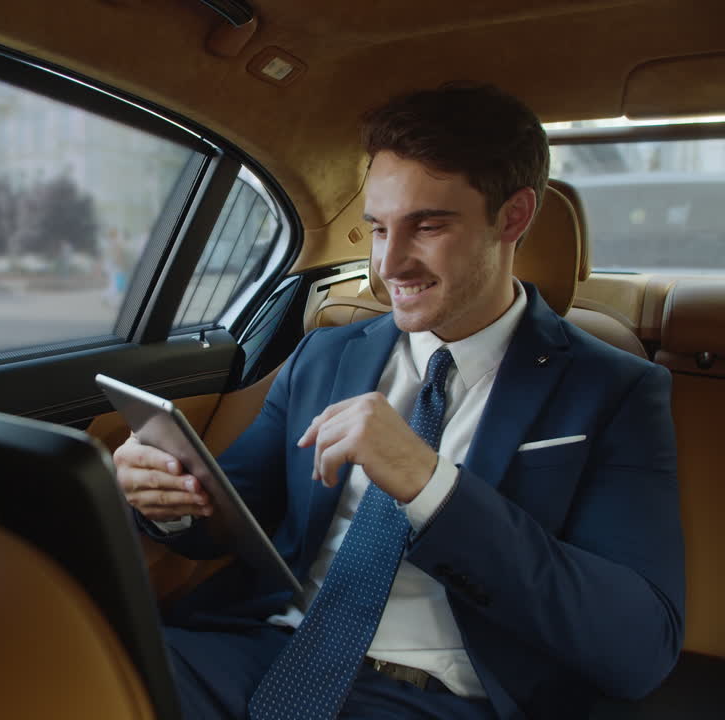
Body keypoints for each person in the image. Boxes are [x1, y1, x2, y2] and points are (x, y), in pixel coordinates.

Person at [113, 84, 684, 720]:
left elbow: (639, 651)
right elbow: (228, 515)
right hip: (256, 652)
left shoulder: (615, 390)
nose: (389, 265)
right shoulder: (323, 355)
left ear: (514, 217)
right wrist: (163, 495)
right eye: (380, 229)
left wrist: (429, 484)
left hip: (439, 697)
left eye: (428, 225)